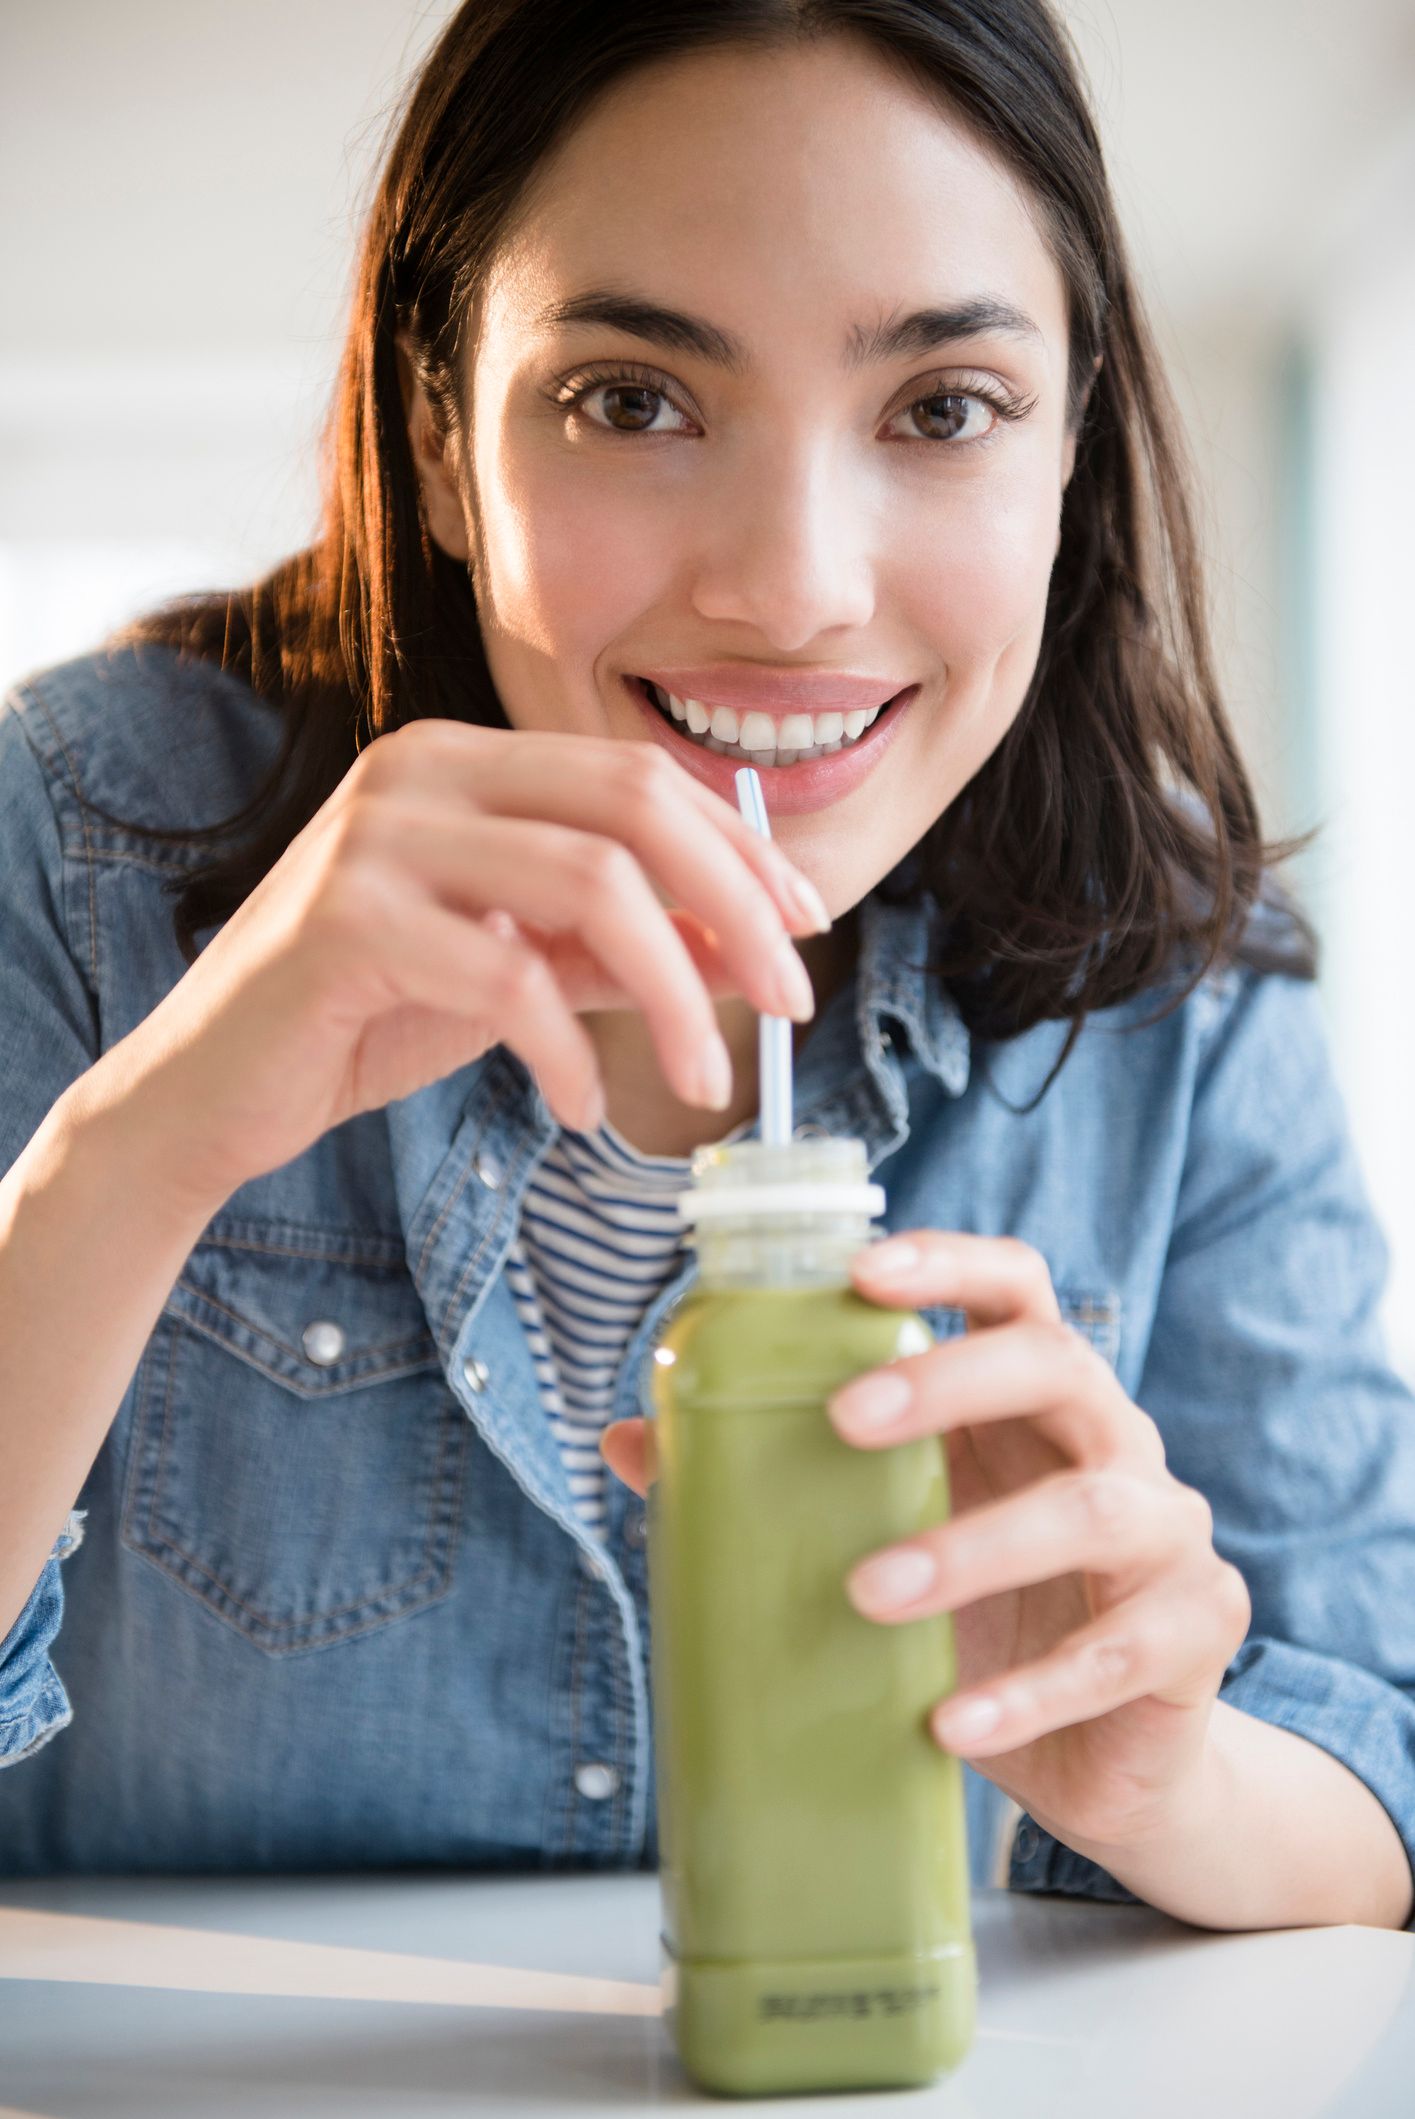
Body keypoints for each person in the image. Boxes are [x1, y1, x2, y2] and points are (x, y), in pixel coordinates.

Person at [1, 0, 1412, 1933]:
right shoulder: (74, 840)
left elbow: (1380, 1757)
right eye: (632, 401)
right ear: (436, 442)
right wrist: (131, 1159)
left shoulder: (1189, 985)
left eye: (942, 409)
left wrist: (1168, 1769)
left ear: (1068, 453)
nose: (793, 586)